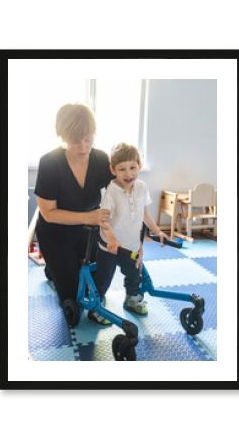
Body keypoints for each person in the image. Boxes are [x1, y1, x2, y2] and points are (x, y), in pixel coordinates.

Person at [34, 103, 113, 326]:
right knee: (72, 297)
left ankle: (58, 268)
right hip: (56, 232)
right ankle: (54, 268)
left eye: (88, 138)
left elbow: (119, 192)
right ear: (63, 136)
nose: (83, 145)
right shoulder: (49, 162)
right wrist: (89, 217)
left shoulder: (101, 159)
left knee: (94, 284)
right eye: (76, 140)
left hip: (89, 231)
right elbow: (48, 213)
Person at [94, 142, 169, 320]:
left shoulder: (142, 187)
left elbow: (144, 213)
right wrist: (111, 239)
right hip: (109, 247)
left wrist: (157, 231)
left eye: (132, 167)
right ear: (113, 170)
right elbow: (103, 220)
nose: (128, 174)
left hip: (132, 246)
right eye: (122, 169)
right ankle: (97, 306)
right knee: (103, 279)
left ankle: (132, 300)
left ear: (139, 166)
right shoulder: (110, 192)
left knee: (134, 275)